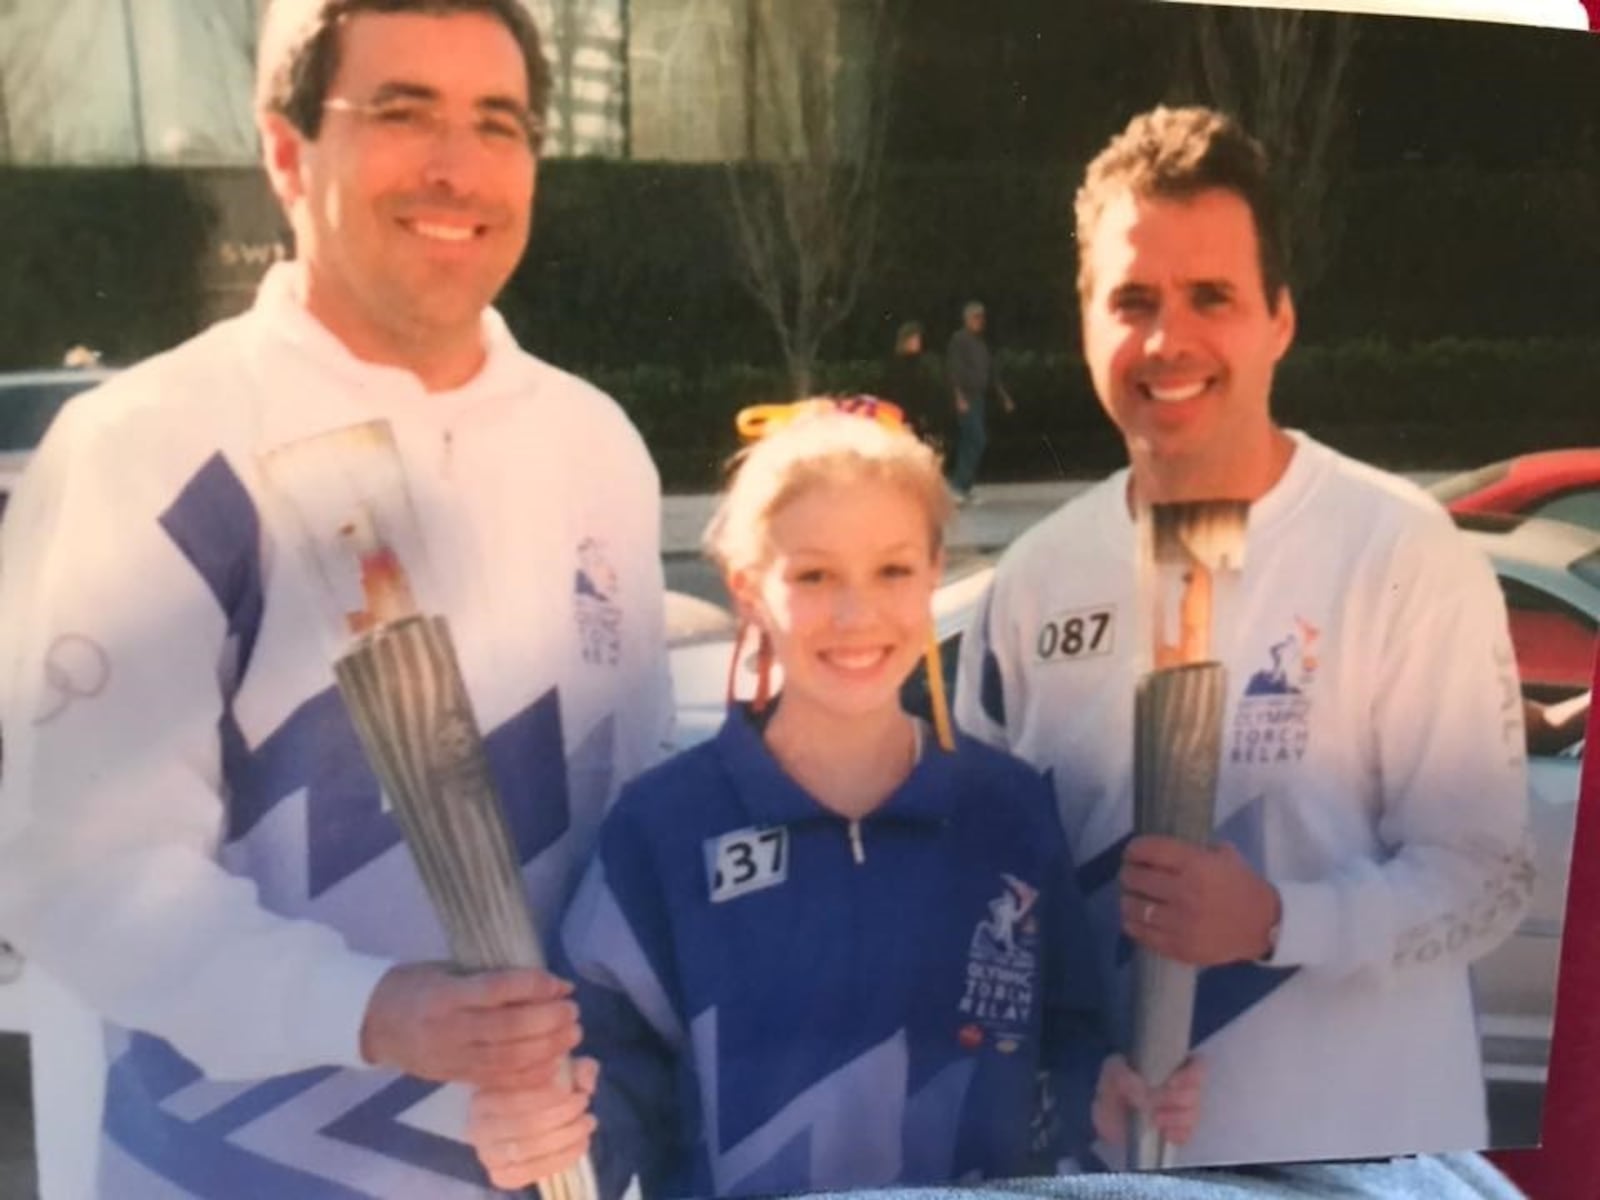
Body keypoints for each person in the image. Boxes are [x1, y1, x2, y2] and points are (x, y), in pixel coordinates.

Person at [0, 1, 670, 1196]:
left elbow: (635, 855)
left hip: (540, 1167)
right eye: (402, 113)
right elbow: (82, 881)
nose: (456, 166)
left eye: (498, 123)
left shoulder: (595, 446)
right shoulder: (148, 448)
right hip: (226, 1168)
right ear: (284, 150)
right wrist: (374, 1009)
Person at [954, 106, 1533, 1167]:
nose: (1167, 340)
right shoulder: (1036, 580)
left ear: (1278, 319)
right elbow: (995, 900)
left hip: (1362, 1157)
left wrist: (1276, 920)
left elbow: (1484, 879)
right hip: (1108, 1164)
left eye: (1209, 297)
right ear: (1086, 319)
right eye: (1132, 301)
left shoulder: (1399, 550)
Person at [470, 402, 1201, 1197]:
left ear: (934, 571)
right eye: (813, 575)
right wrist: (540, 1136)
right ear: (747, 588)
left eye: (892, 570)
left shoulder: (1008, 812)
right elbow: (601, 1090)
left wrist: (1105, 1099)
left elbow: (1067, 1042)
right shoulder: (664, 831)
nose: (856, 615)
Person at [945, 300, 1014, 506]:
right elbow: (954, 371)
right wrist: (959, 397)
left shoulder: (980, 343)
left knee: (973, 441)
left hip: (979, 398)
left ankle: (963, 487)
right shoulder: (959, 340)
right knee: (976, 438)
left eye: (981, 317)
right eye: (975, 317)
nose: (980, 321)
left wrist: (1004, 396)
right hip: (967, 397)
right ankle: (958, 485)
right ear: (967, 319)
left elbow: (991, 373)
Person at [881, 320, 944, 447]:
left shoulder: (922, 363)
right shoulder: (897, 364)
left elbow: (927, 388)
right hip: (903, 415)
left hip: (920, 417)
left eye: (918, 338)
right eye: (914, 338)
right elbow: (895, 391)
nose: (917, 342)